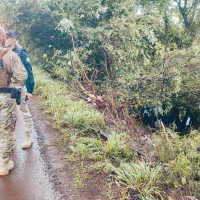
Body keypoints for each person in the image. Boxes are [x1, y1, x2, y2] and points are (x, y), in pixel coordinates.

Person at [0, 27, 28, 175]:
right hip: (5, 97)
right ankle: (4, 164)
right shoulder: (10, 55)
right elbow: (23, 76)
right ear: (3, 38)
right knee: (6, 130)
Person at [5, 30, 35, 149]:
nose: (5, 40)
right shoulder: (2, 52)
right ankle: (10, 140)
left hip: (19, 87)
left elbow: (29, 72)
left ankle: (28, 136)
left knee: (23, 111)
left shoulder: (20, 53)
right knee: (8, 114)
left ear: (12, 39)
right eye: (4, 38)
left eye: (7, 38)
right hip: (6, 88)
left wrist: (29, 90)